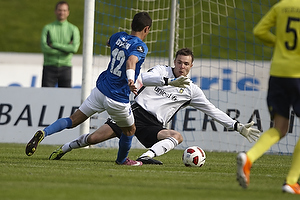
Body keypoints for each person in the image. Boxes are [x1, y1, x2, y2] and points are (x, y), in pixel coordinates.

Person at [48, 48, 261, 165]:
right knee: (93, 138)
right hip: (133, 113)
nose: (182, 67)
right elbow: (143, 77)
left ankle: (146, 157)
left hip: (153, 125)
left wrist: (237, 126)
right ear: (174, 61)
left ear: (191, 66)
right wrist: (167, 82)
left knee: (177, 136)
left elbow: (211, 110)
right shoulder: (162, 70)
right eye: (179, 62)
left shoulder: (192, 91)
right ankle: (64, 148)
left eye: (186, 64)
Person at [26, 12, 153, 166]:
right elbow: (131, 61)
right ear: (146, 29)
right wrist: (131, 78)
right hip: (117, 97)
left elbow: (108, 42)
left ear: (132, 25)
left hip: (100, 91)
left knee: (72, 120)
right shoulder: (140, 46)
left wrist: (115, 45)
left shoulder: (118, 36)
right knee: (130, 130)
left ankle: (44, 132)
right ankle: (122, 160)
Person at [236, 0, 300, 194]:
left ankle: (249, 158)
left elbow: (259, 32)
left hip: (278, 74)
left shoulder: (281, 6)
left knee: (279, 127)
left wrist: (279, 44)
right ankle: (291, 181)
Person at [41, 1, 80, 87]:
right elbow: (45, 48)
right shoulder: (48, 28)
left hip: (66, 67)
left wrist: (54, 45)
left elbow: (74, 49)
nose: (62, 12)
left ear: (68, 12)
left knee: (66, 97)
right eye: (59, 10)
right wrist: (66, 49)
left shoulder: (73, 29)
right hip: (49, 66)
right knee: (45, 97)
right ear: (55, 11)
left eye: (64, 10)